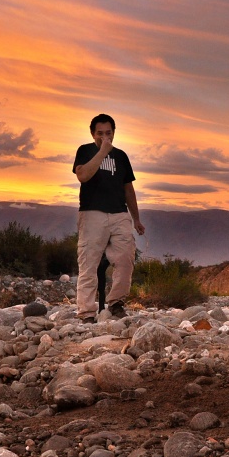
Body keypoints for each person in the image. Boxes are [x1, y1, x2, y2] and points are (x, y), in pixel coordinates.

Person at [73, 114, 145, 322]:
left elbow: (128, 188)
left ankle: (116, 303)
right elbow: (83, 175)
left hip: (119, 213)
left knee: (125, 258)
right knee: (89, 261)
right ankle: (86, 312)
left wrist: (136, 219)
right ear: (92, 134)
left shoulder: (121, 156)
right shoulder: (85, 151)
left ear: (114, 132)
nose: (105, 137)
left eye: (108, 133)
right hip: (92, 212)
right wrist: (102, 151)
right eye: (100, 133)